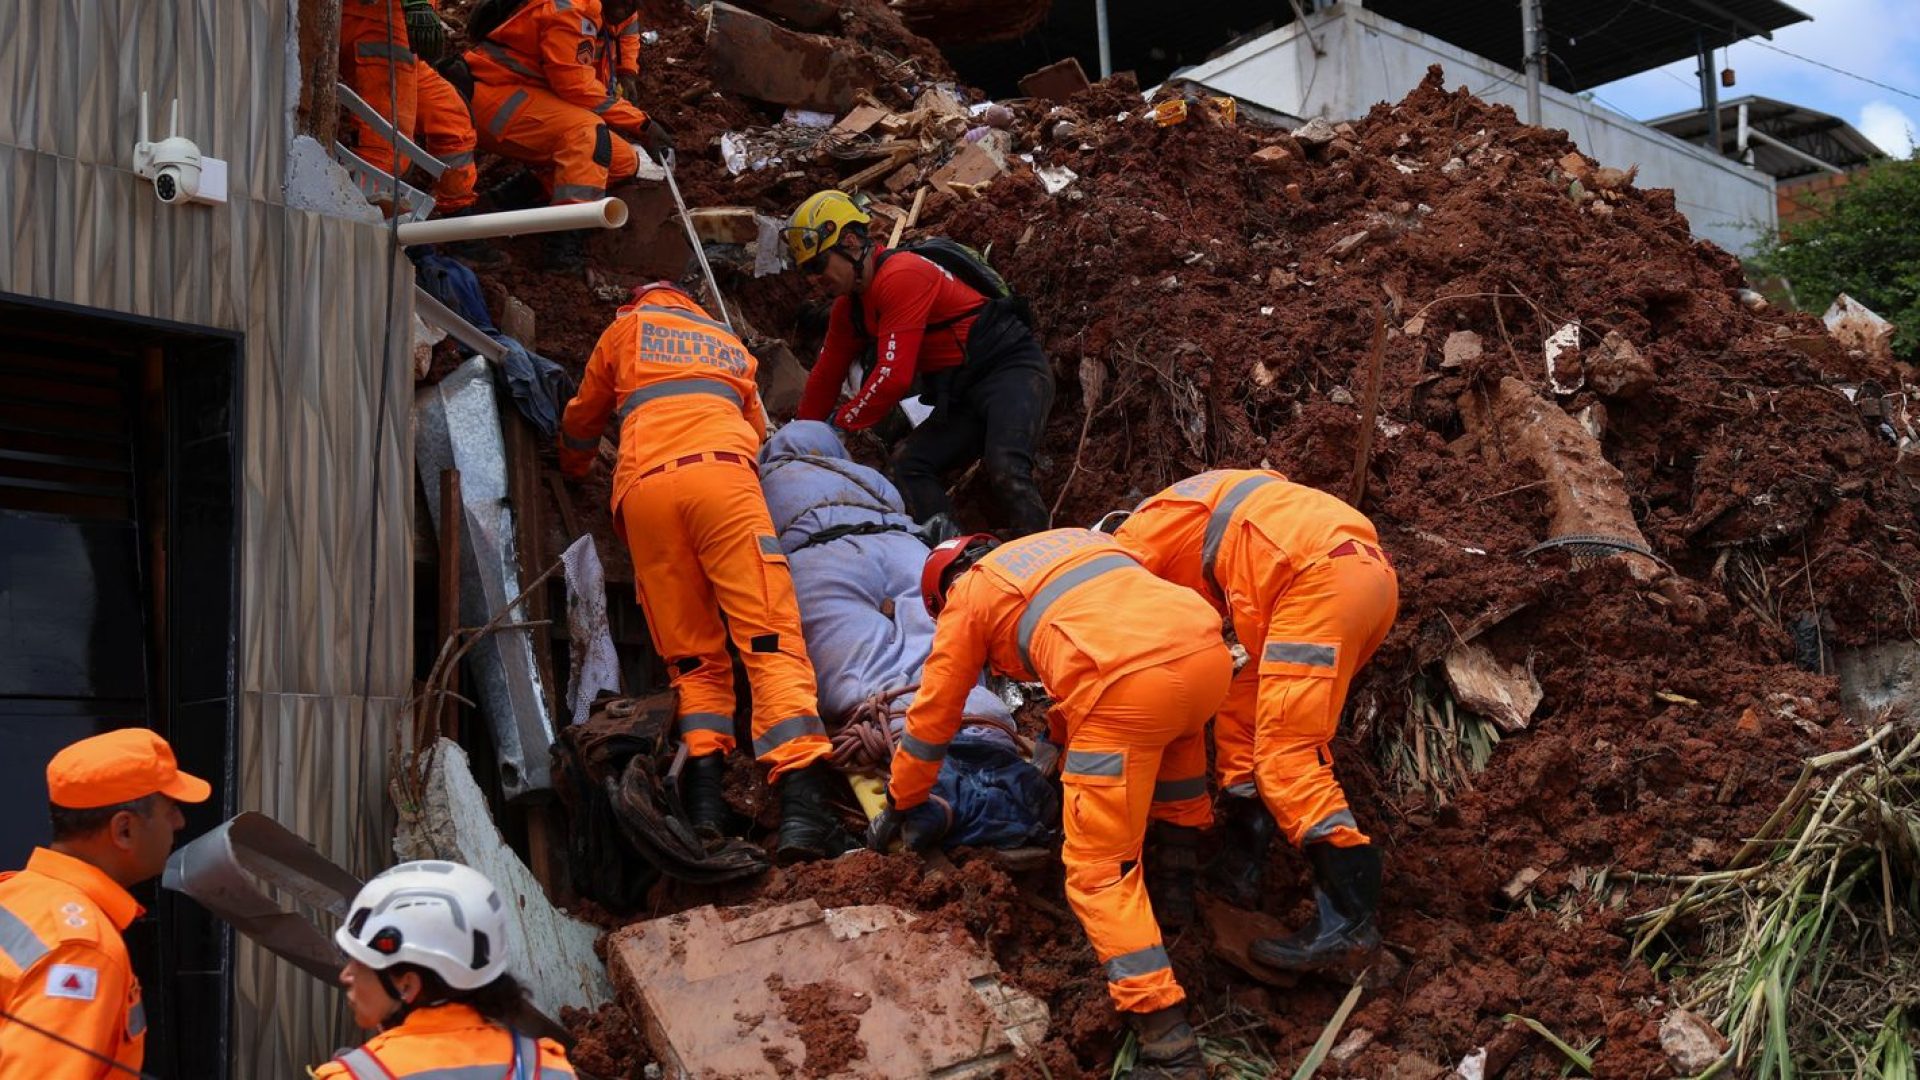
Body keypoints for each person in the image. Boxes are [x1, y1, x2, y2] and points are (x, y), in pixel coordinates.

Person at [869, 528, 1231, 1079]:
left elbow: (933, 715)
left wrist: (903, 798)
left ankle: (1170, 1048)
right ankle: (1177, 894)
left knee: (1097, 871)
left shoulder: (970, 594)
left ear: (943, 591)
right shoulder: (1069, 543)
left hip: (1124, 688)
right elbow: (1110, 629)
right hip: (1204, 656)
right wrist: (1055, 740)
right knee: (1177, 761)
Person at [557, 282, 852, 864]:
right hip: (722, 483)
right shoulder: (726, 340)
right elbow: (758, 434)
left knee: (692, 659)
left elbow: (583, 417)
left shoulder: (625, 330)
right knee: (768, 640)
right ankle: (803, 808)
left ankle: (705, 808)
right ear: (689, 305)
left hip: (644, 492)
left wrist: (574, 467)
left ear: (637, 301)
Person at [1110, 469, 1399, 972]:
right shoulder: (1201, 498)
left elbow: (1142, 647)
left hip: (1314, 584)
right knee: (1242, 711)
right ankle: (1242, 861)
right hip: (1366, 578)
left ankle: (1350, 923)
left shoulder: (1128, 550)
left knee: (1288, 754)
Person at [783, 190, 1054, 542]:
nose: (813, 279)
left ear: (849, 242)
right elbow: (825, 377)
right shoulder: (848, 310)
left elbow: (893, 376)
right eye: (806, 271)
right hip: (962, 394)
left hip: (1011, 369)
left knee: (1006, 465)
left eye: (817, 265)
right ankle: (953, 556)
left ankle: (1049, 552)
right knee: (908, 465)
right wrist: (800, 439)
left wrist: (841, 424)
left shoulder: (902, 275)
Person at [0, 729, 210, 1079]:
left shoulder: (15, 894)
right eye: (170, 809)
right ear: (124, 830)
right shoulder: (82, 949)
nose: (179, 822)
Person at [314, 861, 576, 1079]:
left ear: (407, 985)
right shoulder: (547, 1069)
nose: (346, 975)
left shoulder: (350, 1076)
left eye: (360, 962)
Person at [464, 0, 666, 267]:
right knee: (586, 132)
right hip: (497, 99)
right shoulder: (571, 11)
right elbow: (574, 87)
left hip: (532, 97)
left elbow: (627, 26)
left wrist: (627, 71)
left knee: (622, 162)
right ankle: (564, 241)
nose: (628, 6)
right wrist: (642, 124)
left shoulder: (615, 7)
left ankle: (510, 197)